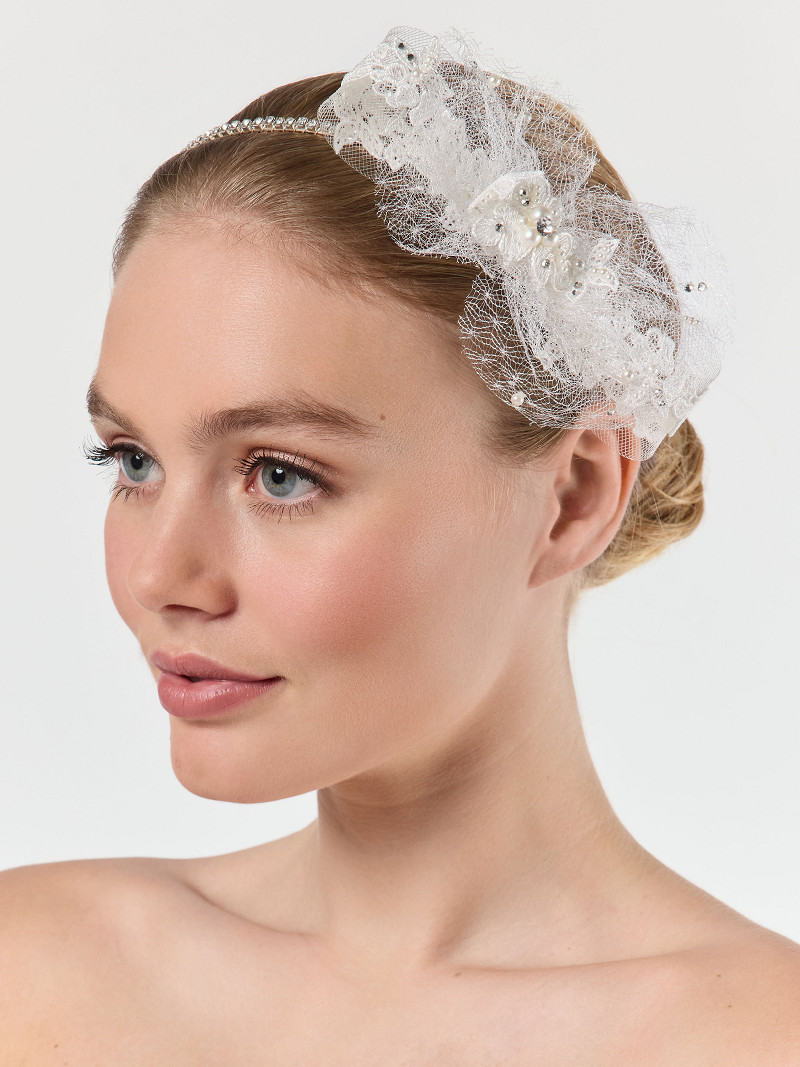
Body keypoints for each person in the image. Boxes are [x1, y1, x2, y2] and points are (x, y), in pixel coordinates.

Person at [1, 24, 798, 1063]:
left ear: (572, 496)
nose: (160, 576)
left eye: (279, 474)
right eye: (133, 461)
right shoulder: (33, 970)